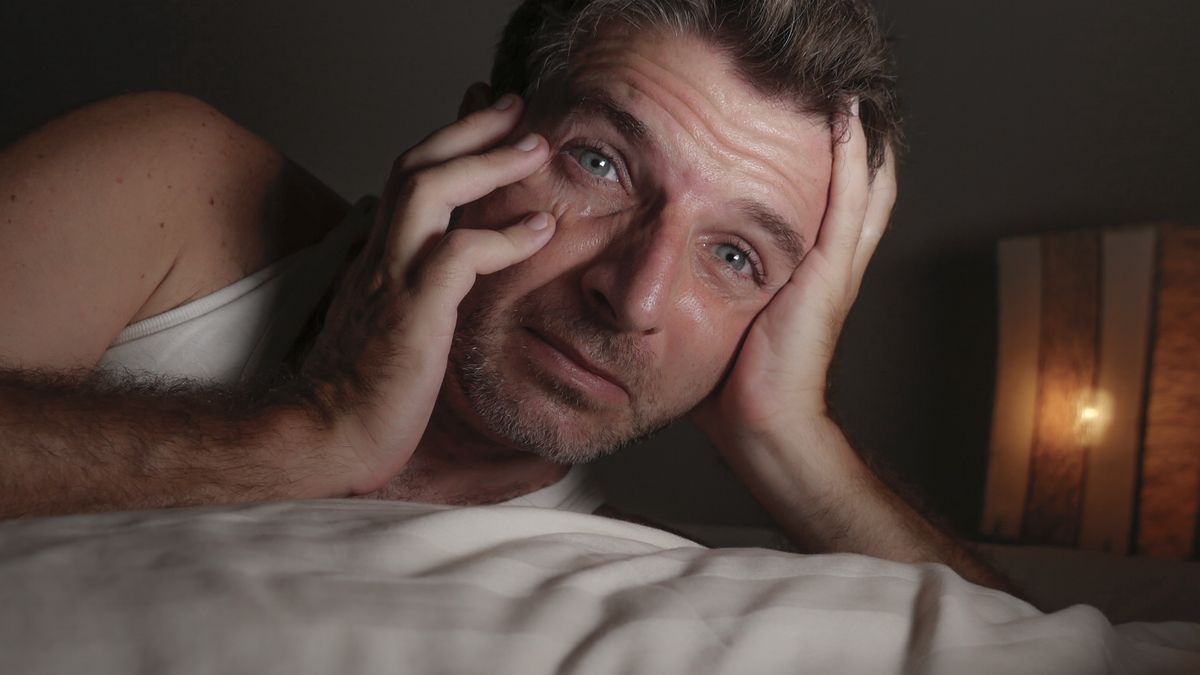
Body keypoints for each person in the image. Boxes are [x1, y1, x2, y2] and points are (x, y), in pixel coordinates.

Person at [0, 0, 1007, 588]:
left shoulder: (626, 594)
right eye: (600, 164)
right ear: (477, 137)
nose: (638, 295)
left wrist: (790, 433)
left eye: (737, 257)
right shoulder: (174, 185)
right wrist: (308, 435)